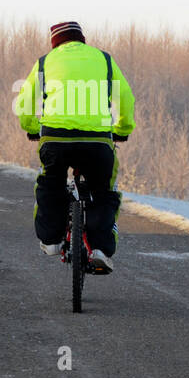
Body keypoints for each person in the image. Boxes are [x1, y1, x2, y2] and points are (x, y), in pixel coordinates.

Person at [16, 21, 135, 274]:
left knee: (50, 182)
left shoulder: (45, 62)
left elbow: (25, 101)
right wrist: (123, 130)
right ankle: (101, 249)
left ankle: (51, 240)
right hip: (97, 140)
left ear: (55, 42)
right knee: (103, 191)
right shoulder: (104, 59)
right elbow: (125, 97)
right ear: (81, 39)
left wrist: (31, 127)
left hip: (55, 138)